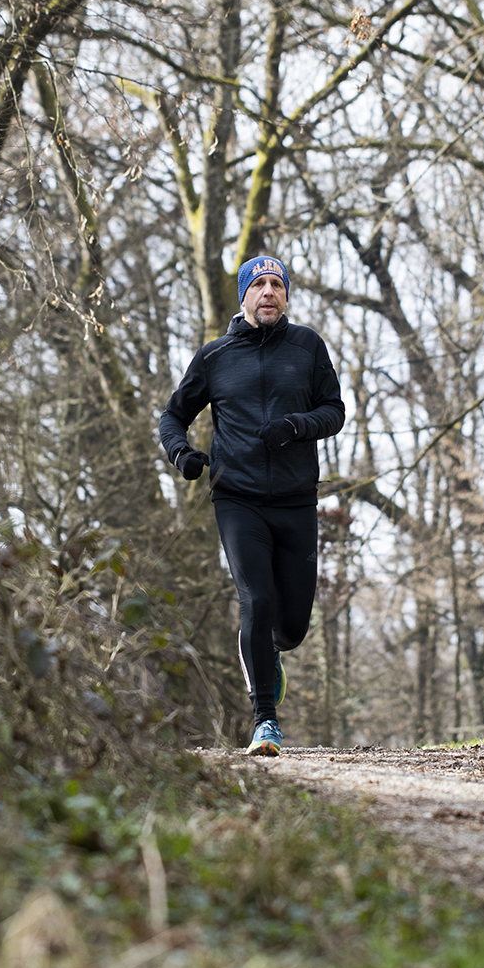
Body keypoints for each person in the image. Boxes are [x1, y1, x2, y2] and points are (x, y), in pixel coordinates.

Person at [158, 255, 345, 756]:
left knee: (293, 626)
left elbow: (334, 411)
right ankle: (265, 720)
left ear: (285, 296)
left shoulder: (307, 347)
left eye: (276, 285)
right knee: (256, 601)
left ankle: (272, 653)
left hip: (296, 499)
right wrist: (183, 455)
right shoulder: (215, 357)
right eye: (258, 285)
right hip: (237, 497)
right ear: (243, 297)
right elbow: (172, 417)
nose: (268, 292)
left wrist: (295, 426)